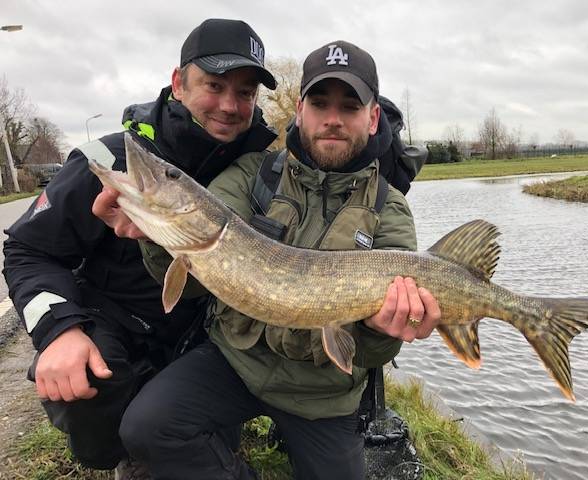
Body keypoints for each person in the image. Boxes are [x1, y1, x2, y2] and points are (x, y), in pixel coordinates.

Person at [110, 40, 441, 480]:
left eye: (350, 105)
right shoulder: (252, 174)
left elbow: (376, 346)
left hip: (323, 393)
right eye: (320, 103)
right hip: (237, 364)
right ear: (300, 109)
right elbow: (189, 279)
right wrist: (154, 236)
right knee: (148, 427)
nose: (333, 119)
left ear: (373, 116)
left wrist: (386, 331)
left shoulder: (390, 207)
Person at [2, 18, 277, 478]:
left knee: (188, 434)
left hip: (206, 343)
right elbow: (28, 250)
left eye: (245, 92)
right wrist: (59, 330)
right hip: (119, 328)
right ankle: (115, 451)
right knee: (91, 384)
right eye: (214, 84)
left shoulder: (262, 172)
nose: (230, 105)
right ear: (178, 82)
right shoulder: (110, 159)